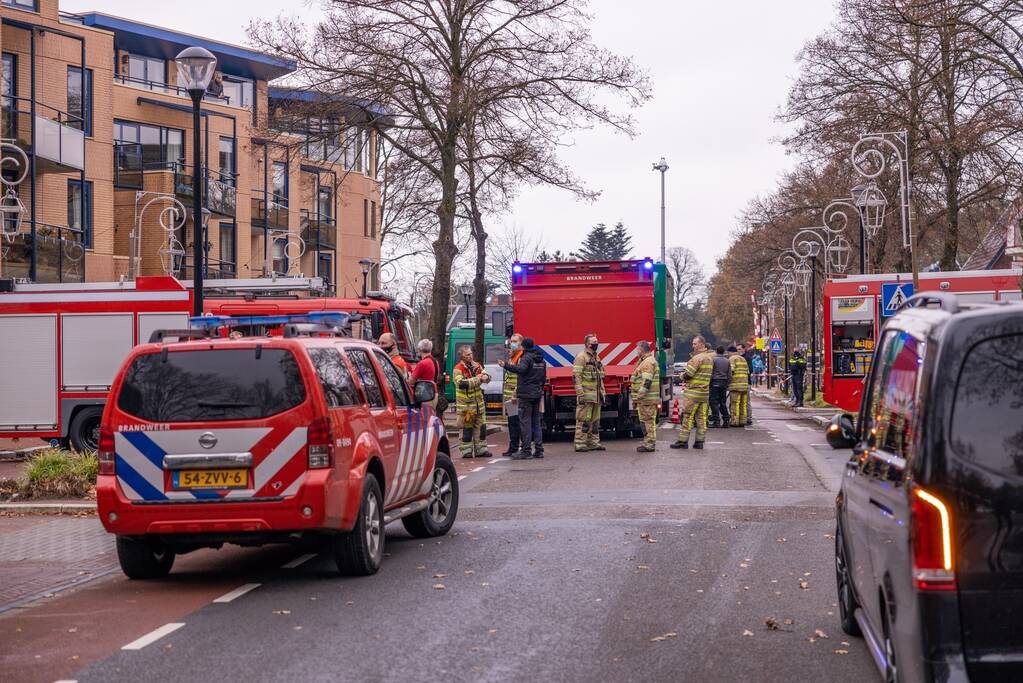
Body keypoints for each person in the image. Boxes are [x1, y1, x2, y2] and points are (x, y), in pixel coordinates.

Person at [499, 337, 546, 459]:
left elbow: (521, 369)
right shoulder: (541, 360)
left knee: (525, 423)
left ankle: (526, 450)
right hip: (536, 394)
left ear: (523, 347)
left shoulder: (526, 358)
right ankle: (539, 450)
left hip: (526, 395)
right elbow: (543, 378)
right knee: (536, 423)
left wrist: (506, 365)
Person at [671, 335, 714, 450]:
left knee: (688, 417)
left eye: (695, 344)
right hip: (704, 393)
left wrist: (680, 376)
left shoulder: (697, 358)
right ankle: (699, 442)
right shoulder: (709, 358)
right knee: (701, 418)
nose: (693, 346)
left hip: (693, 393)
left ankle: (683, 441)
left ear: (701, 344)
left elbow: (689, 374)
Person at [453, 345, 491, 458]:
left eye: (471, 354)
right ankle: (466, 451)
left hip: (479, 405)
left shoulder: (477, 365)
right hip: (466, 407)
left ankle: (481, 450)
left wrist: (485, 377)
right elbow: (461, 384)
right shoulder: (458, 369)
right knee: (466, 430)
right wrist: (478, 379)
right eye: (467, 354)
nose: (470, 356)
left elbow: (487, 377)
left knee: (481, 429)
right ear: (462, 356)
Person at [572, 333, 606, 453]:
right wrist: (580, 392)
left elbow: (600, 376)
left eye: (597, 341)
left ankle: (593, 443)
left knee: (595, 420)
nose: (596, 343)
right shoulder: (581, 357)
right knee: (583, 419)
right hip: (586, 394)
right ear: (588, 344)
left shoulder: (596, 357)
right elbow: (577, 376)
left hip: (596, 395)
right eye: (594, 342)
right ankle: (580, 443)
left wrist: (602, 391)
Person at [630, 340, 660, 452]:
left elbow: (647, 382)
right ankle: (648, 443)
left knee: (647, 421)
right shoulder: (645, 361)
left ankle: (649, 444)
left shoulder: (647, 362)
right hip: (646, 399)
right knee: (646, 421)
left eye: (637, 349)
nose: (636, 351)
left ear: (641, 350)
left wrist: (638, 396)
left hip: (646, 399)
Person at [500, 333, 524, 457]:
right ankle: (513, 446)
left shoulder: (520, 358)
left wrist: (515, 393)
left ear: (521, 343)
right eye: (511, 341)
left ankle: (517, 447)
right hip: (510, 398)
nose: (512, 344)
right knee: (512, 422)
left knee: (517, 422)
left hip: (516, 397)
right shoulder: (513, 357)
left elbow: (520, 376)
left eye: (515, 341)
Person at [411, 339, 440, 409]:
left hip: (425, 396)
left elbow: (411, 381)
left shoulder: (422, 363)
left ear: (419, 350)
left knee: (425, 418)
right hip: (434, 393)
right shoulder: (435, 362)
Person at [708, 345, 732, 429]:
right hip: (723, 383)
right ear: (723, 352)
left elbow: (711, 372)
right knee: (722, 402)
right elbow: (729, 374)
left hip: (714, 382)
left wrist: (709, 382)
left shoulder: (713, 360)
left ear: (716, 352)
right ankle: (726, 420)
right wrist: (728, 383)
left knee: (714, 402)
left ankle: (716, 421)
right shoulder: (727, 361)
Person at [728, 345, 750, 427]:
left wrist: (728, 382)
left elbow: (731, 371)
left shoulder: (732, 359)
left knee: (735, 403)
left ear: (731, 352)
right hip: (744, 385)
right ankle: (743, 420)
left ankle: (734, 421)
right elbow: (747, 371)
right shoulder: (743, 359)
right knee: (743, 404)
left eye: (729, 353)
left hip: (736, 385)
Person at [737, 342, 755, 425]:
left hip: (746, 382)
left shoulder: (747, 358)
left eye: (740, 349)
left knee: (746, 400)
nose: (738, 351)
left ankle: (748, 418)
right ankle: (742, 417)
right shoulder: (737, 357)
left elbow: (750, 370)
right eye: (737, 350)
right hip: (739, 382)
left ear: (744, 349)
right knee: (739, 401)